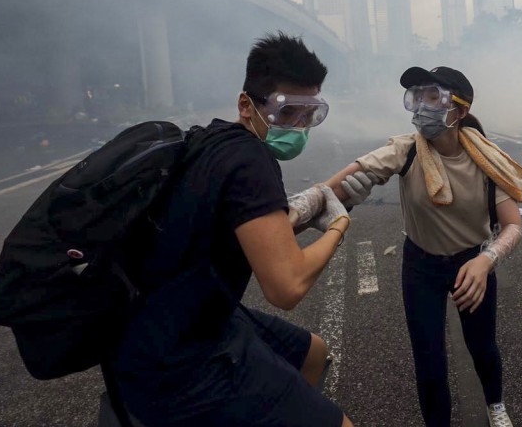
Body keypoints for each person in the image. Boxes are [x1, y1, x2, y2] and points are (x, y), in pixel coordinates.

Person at [111, 32, 356, 427]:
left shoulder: (212, 140)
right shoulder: (252, 163)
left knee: (313, 352)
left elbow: (248, 229)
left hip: (166, 321)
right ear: (247, 104)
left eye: (309, 113)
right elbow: (286, 286)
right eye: (286, 111)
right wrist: (338, 227)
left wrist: (314, 203)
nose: (298, 126)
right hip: (179, 359)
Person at [322, 66, 522, 427]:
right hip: (421, 265)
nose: (421, 107)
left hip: (471, 263)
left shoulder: (487, 161)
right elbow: (334, 186)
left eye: (433, 97)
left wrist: (487, 259)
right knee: (429, 363)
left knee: (482, 346)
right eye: (417, 97)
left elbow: (512, 225)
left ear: (459, 111)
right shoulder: (406, 150)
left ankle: (496, 406)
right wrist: (299, 209)